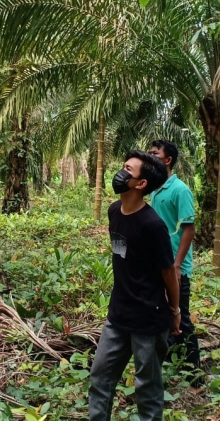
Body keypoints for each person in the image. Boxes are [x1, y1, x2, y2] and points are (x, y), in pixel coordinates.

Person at [89, 150, 181, 421]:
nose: (121, 173)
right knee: (100, 378)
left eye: (129, 170)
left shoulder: (153, 225)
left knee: (147, 388)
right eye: (123, 166)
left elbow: (169, 272)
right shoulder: (114, 211)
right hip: (118, 315)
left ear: (141, 184)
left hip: (149, 319)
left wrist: (174, 312)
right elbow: (123, 254)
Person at [149, 139, 202, 392]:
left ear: (167, 160)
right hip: (158, 265)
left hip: (176, 268)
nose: (150, 157)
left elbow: (189, 229)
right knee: (163, 317)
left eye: (154, 154)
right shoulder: (156, 190)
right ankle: (173, 367)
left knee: (181, 318)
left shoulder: (180, 190)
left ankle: (196, 379)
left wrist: (178, 266)